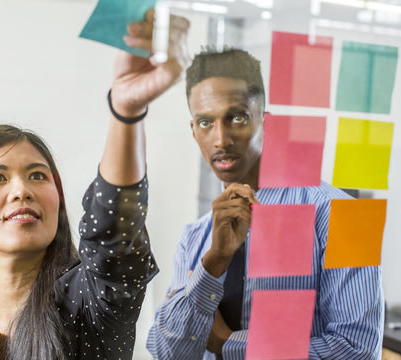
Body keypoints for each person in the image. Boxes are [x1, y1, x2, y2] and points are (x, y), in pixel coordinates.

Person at [0, 9, 190, 360]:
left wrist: (126, 111)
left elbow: (113, 228)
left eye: (38, 175)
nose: (21, 190)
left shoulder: (91, 300)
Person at [147, 48, 383, 359]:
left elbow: (357, 351)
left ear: (265, 121)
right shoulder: (196, 237)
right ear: (194, 131)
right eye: (206, 122)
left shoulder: (343, 215)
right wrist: (214, 261)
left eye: (237, 117)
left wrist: (228, 344)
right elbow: (166, 351)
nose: (220, 139)